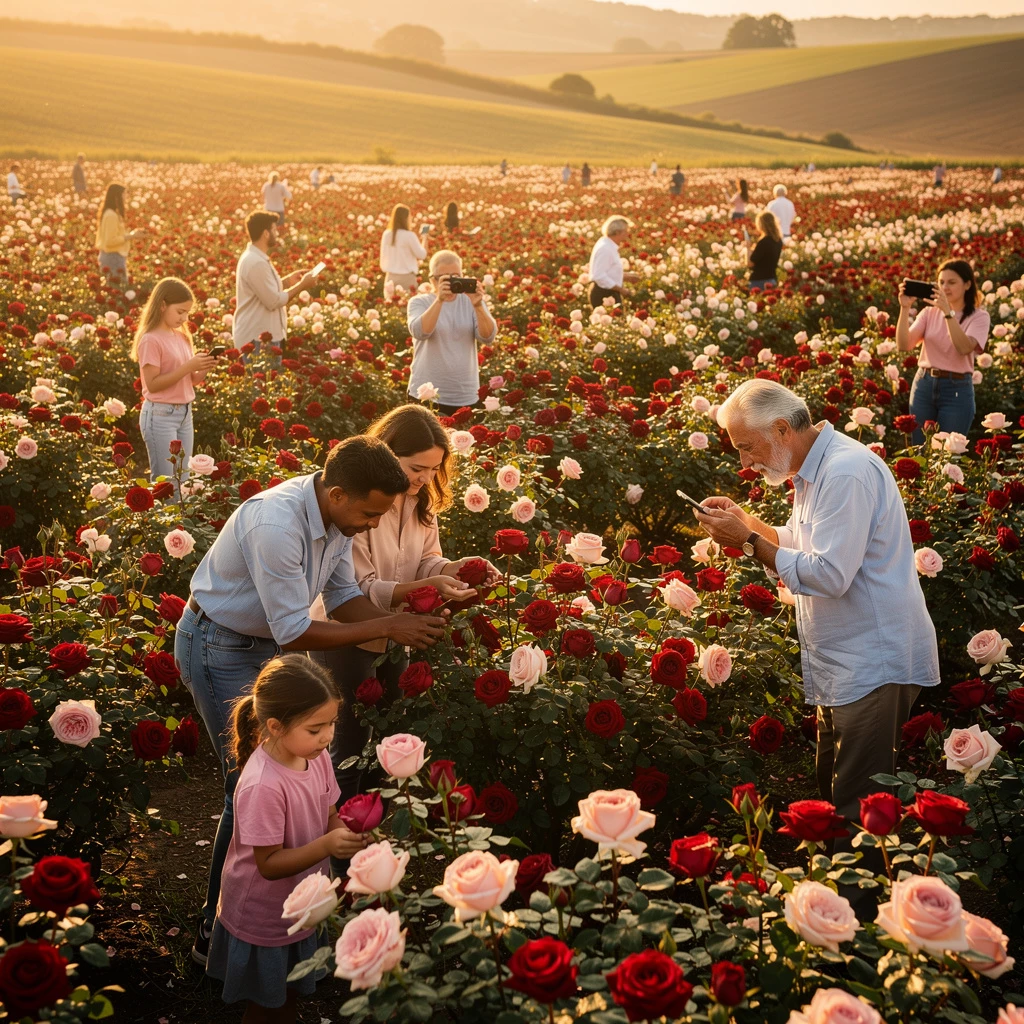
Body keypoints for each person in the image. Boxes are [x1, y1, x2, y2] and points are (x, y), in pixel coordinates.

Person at [176, 435, 447, 966]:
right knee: (247, 787)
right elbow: (295, 627)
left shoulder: (337, 516)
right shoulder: (276, 525)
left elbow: (344, 599)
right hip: (220, 647)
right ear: (339, 493)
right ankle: (218, 931)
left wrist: (406, 623)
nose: (372, 524)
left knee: (289, 775)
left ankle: (279, 914)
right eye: (369, 513)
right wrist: (390, 622)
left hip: (266, 645)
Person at [694, 379, 939, 912]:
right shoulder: (814, 469)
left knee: (858, 806)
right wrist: (747, 523)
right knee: (836, 789)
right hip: (847, 660)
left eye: (745, 445)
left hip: (873, 660)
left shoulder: (845, 472)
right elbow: (804, 542)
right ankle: (838, 910)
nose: (743, 460)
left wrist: (748, 543)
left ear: (781, 429)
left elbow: (828, 575)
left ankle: (860, 925)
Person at [311, 404, 501, 800]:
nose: (425, 478)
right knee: (346, 746)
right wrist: (428, 584)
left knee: (390, 739)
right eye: (417, 468)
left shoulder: (420, 501)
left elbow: (426, 558)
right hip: (346, 631)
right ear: (388, 453)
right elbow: (357, 587)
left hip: (398, 630)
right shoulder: (366, 503)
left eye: (434, 469)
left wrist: (455, 567)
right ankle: (336, 841)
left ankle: (371, 830)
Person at [206, 654, 368, 1022]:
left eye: (331, 724)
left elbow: (329, 815)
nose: (327, 736)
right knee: (265, 1005)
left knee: (287, 995)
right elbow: (269, 864)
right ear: (276, 726)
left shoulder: (316, 757)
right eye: (315, 728)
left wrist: (345, 835)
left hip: (302, 900)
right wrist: (327, 847)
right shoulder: (263, 784)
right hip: (265, 913)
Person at [132, 278, 218, 497]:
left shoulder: (181, 336)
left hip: (184, 413)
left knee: (184, 481)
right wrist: (188, 365)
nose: (184, 318)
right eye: (180, 311)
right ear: (162, 305)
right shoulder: (151, 340)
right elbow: (152, 385)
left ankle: (178, 530)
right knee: (167, 485)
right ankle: (165, 530)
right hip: (160, 414)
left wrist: (205, 366)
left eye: (187, 313)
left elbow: (191, 380)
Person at [896, 259, 991, 445]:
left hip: (956, 390)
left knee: (948, 451)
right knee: (920, 448)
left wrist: (948, 313)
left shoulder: (979, 317)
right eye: (941, 282)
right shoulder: (929, 313)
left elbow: (964, 348)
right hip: (923, 384)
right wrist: (904, 308)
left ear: (967, 284)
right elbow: (903, 344)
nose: (945, 287)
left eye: (952, 282)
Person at [407, 250, 497, 416]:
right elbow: (420, 332)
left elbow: (488, 336)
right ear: (432, 280)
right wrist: (439, 300)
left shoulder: (471, 301)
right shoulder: (419, 302)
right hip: (426, 396)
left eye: (456, 276)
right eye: (445, 278)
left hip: (465, 395)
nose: (451, 283)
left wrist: (478, 306)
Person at [234, 211, 317, 358]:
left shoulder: (256, 258)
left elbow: (265, 289)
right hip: (257, 339)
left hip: (263, 336)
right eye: (274, 229)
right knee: (260, 379)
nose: (277, 233)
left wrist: (288, 281)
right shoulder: (256, 262)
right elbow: (273, 301)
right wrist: (303, 285)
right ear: (266, 233)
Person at [586, 215, 639, 309]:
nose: (627, 234)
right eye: (626, 231)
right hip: (604, 294)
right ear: (617, 232)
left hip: (608, 292)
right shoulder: (605, 248)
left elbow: (608, 271)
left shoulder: (608, 244)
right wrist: (622, 290)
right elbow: (599, 276)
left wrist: (627, 276)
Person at [95, 183, 142, 285]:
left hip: (112, 256)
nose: (127, 197)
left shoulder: (110, 213)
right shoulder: (111, 215)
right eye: (124, 194)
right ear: (117, 196)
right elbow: (110, 241)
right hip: (113, 257)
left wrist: (133, 234)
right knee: (118, 288)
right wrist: (132, 236)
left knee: (116, 288)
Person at [379, 203, 427, 295]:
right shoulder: (409, 235)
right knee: (407, 306)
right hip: (407, 278)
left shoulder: (387, 234)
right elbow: (422, 255)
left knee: (391, 306)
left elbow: (383, 256)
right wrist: (425, 237)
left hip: (390, 278)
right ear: (406, 218)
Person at [745, 211, 783, 291]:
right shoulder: (778, 240)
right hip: (772, 279)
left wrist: (748, 248)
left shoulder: (763, 242)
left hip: (759, 281)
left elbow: (750, 263)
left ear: (761, 225)